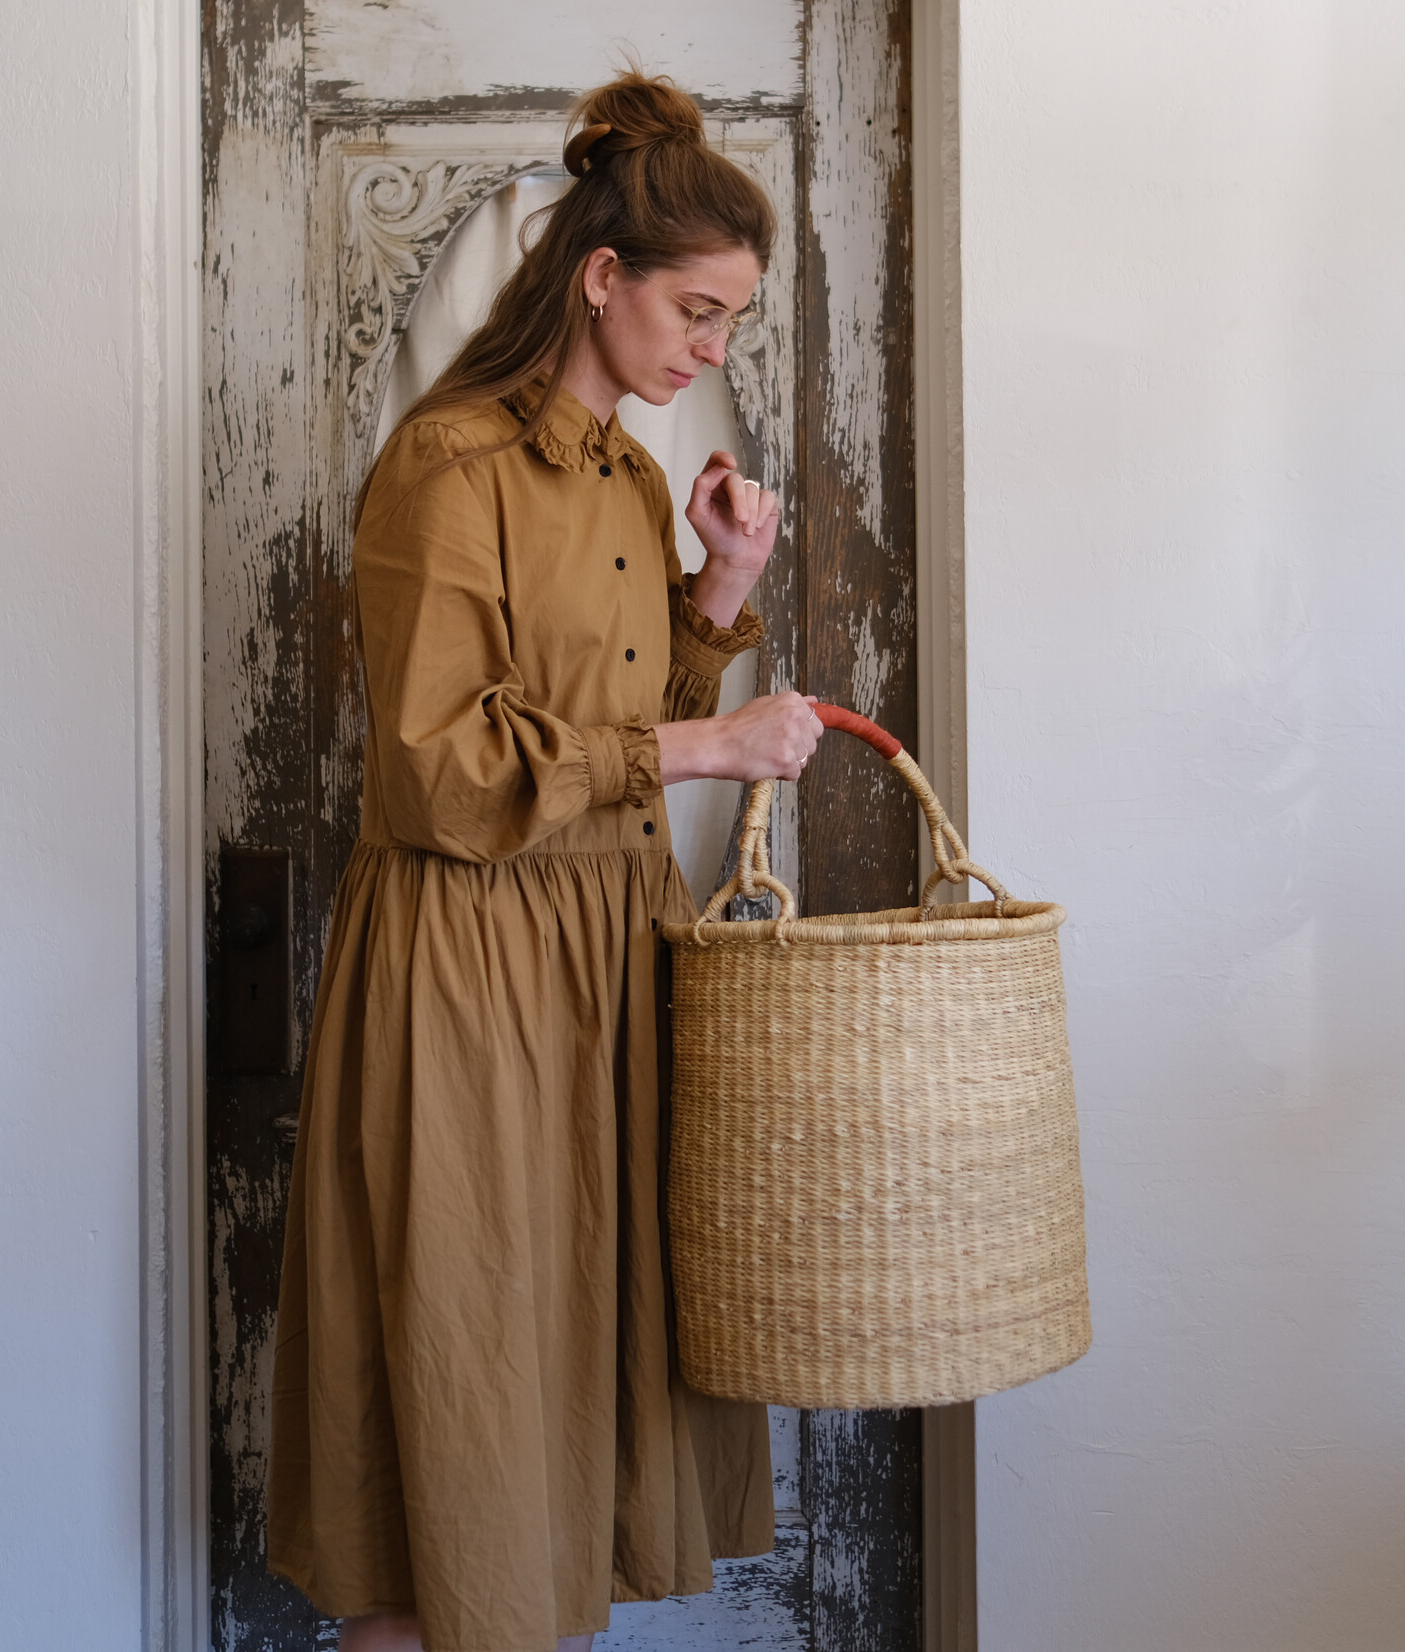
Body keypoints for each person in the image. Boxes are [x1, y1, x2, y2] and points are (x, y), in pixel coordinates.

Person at [266, 70, 825, 1652]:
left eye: (732, 325)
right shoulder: (447, 466)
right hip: (469, 966)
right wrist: (709, 747)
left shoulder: (633, 479)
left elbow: (614, 729)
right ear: (604, 279)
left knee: (565, 1420)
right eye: (700, 314)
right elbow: (441, 767)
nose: (713, 354)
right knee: (460, 1424)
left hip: (607, 964)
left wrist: (723, 588)